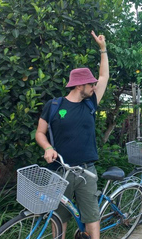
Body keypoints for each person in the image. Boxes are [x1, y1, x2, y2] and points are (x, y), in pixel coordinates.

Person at [35, 31, 109, 239]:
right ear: (79, 85)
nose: (94, 86)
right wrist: (47, 147)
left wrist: (102, 49)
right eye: (90, 84)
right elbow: (40, 133)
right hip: (60, 172)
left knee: (91, 217)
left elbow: (104, 77)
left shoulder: (90, 103)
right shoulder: (54, 106)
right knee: (59, 218)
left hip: (86, 171)